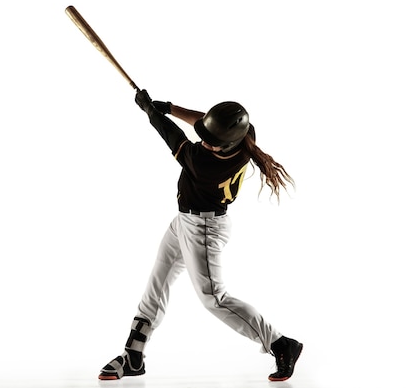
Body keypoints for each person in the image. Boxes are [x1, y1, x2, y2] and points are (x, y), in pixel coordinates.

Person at [98, 89, 302, 382]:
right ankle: (134, 355)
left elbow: (172, 137)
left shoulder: (205, 163)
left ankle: (281, 344)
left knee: (214, 299)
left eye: (211, 141)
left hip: (204, 229)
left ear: (227, 143)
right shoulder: (245, 135)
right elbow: (203, 122)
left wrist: (152, 113)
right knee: (158, 280)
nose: (204, 141)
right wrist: (169, 106)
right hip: (185, 221)